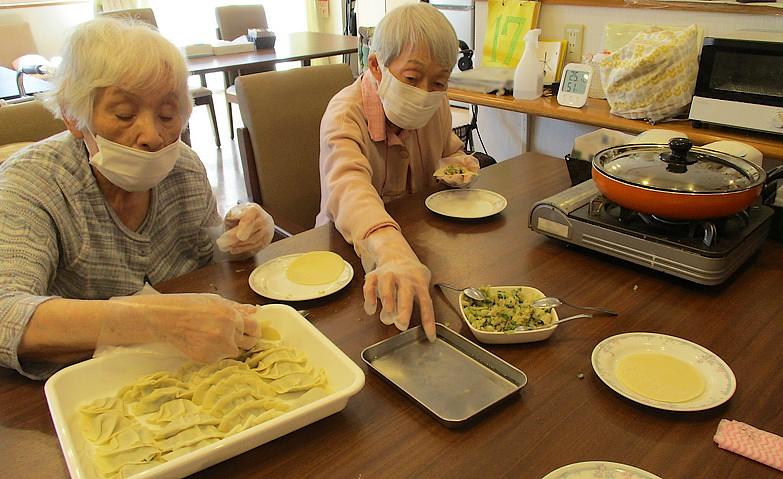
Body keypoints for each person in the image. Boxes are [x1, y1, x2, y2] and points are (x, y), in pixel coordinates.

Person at [0, 18, 275, 379]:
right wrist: (158, 321)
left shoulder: (184, 168)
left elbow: (204, 257)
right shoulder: (33, 183)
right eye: (125, 114)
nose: (152, 136)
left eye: (167, 114)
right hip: (81, 379)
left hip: (184, 368)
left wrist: (238, 236)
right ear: (73, 117)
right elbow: (6, 313)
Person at [316, 3, 479, 341]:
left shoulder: (436, 105)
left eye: (439, 81)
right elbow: (348, 186)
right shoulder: (344, 115)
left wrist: (456, 163)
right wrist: (388, 246)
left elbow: (447, 150)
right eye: (412, 78)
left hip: (415, 247)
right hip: (346, 255)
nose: (425, 93)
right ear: (377, 66)